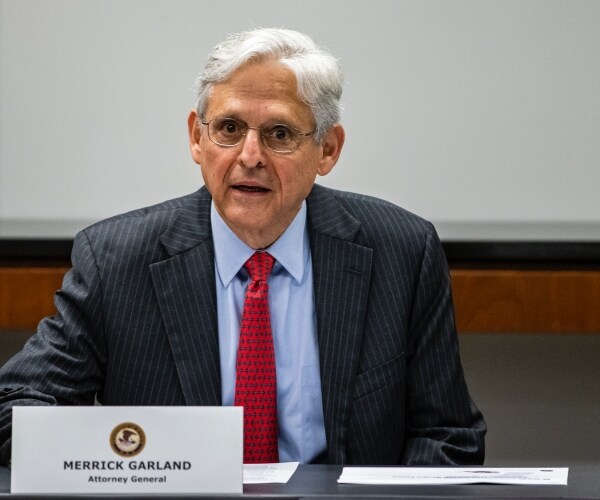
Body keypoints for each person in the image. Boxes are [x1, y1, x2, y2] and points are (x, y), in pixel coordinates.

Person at [0, 28, 485, 465]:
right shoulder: (116, 261)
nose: (250, 157)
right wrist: (122, 461)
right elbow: (14, 410)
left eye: (279, 134)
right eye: (229, 129)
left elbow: (447, 437)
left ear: (328, 149)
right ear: (197, 138)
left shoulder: (402, 252)